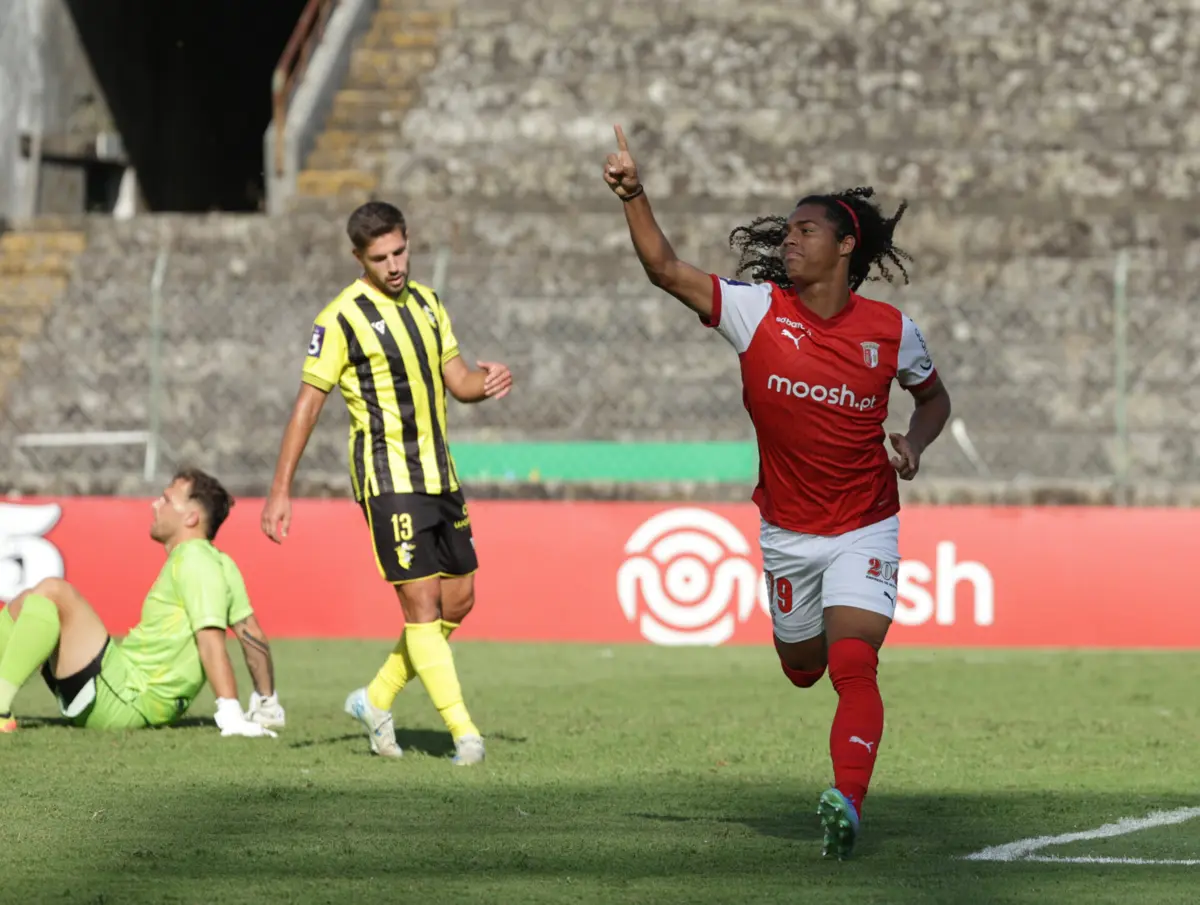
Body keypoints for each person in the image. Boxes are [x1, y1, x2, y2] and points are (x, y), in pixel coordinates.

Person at [604, 125, 952, 858]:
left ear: (845, 246)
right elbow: (665, 267)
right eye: (787, 231)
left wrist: (914, 444)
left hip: (866, 522)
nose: (788, 240)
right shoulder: (755, 309)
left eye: (805, 230)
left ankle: (847, 803)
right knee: (802, 669)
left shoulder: (893, 332)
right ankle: (806, 659)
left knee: (854, 661)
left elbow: (934, 401)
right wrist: (634, 194)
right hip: (788, 533)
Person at [261, 200, 512, 766]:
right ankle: (465, 733)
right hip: (388, 478)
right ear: (359, 258)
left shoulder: (427, 303)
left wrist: (486, 380)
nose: (394, 264)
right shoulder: (341, 318)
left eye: (400, 251)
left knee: (460, 600)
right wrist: (281, 489)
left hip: (440, 475)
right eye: (380, 257)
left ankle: (374, 701)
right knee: (421, 605)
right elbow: (307, 405)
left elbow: (458, 381)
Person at [0, 468, 283, 736]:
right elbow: (252, 635)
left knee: (53, 590)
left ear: (191, 518)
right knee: (27, 600)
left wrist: (230, 713)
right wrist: (267, 703)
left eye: (167, 499)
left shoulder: (195, 561)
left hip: (128, 699)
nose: (155, 505)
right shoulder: (220, 563)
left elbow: (209, 639)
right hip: (122, 692)